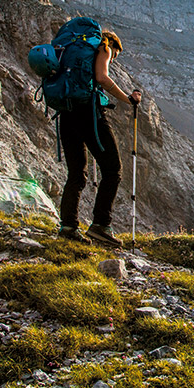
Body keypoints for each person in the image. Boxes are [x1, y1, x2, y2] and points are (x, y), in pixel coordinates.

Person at [57, 30, 141, 247]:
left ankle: (68, 227)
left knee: (76, 173)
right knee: (113, 170)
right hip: (88, 114)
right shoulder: (103, 46)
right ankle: (100, 225)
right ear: (113, 45)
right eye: (115, 55)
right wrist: (128, 100)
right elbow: (102, 77)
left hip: (66, 113)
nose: (113, 59)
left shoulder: (74, 50)